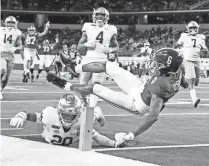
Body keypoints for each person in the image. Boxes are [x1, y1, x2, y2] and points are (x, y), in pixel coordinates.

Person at [47, 48, 188, 145]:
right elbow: (184, 83)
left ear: (167, 68)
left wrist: (132, 134)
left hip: (138, 103)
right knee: (109, 66)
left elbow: (153, 116)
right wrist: (185, 84)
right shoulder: (178, 69)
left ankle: (65, 85)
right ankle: (75, 68)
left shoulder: (162, 85)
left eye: (158, 65)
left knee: (96, 88)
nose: (153, 66)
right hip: (141, 88)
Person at [10, 93, 124, 148]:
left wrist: (114, 144)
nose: (68, 118)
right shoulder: (50, 115)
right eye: (65, 115)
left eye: (71, 116)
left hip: (74, 134)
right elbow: (29, 114)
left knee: (94, 120)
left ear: (78, 114)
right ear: (59, 111)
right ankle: (96, 112)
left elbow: (98, 137)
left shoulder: (82, 120)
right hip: (48, 138)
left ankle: (97, 113)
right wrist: (20, 117)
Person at [60, 7, 119, 110]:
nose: (99, 17)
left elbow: (116, 47)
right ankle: (84, 103)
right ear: (94, 16)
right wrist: (87, 44)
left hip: (101, 58)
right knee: (83, 84)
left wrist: (109, 50)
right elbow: (79, 47)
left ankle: (91, 108)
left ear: (106, 17)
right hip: (88, 57)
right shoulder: (88, 26)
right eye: (97, 15)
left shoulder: (111, 28)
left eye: (102, 15)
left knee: (96, 86)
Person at [176, 21, 208, 107]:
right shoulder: (184, 36)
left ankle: (182, 81)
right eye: (191, 28)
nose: (193, 29)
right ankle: (194, 100)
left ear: (198, 28)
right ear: (188, 29)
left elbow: (204, 50)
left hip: (197, 61)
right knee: (192, 79)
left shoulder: (201, 37)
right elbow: (177, 44)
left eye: (195, 28)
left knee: (196, 82)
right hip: (188, 60)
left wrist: (205, 50)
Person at [0, 16, 22, 100]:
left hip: (10, 55)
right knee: (2, 70)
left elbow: (20, 46)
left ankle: (1, 90)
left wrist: (15, 48)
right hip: (1, 53)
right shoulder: (0, 30)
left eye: (12, 23)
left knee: (6, 77)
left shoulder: (17, 33)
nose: (10, 24)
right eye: (8, 22)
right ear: (5, 23)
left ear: (15, 24)